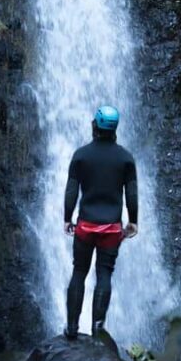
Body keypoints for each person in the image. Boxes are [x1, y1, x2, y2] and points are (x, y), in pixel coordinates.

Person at [63, 105, 138, 339]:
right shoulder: (125, 158)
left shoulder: (81, 155)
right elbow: (132, 194)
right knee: (104, 274)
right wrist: (133, 221)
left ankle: (72, 328)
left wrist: (67, 218)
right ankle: (97, 327)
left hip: (85, 226)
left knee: (79, 272)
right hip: (112, 229)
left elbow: (71, 191)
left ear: (95, 125)